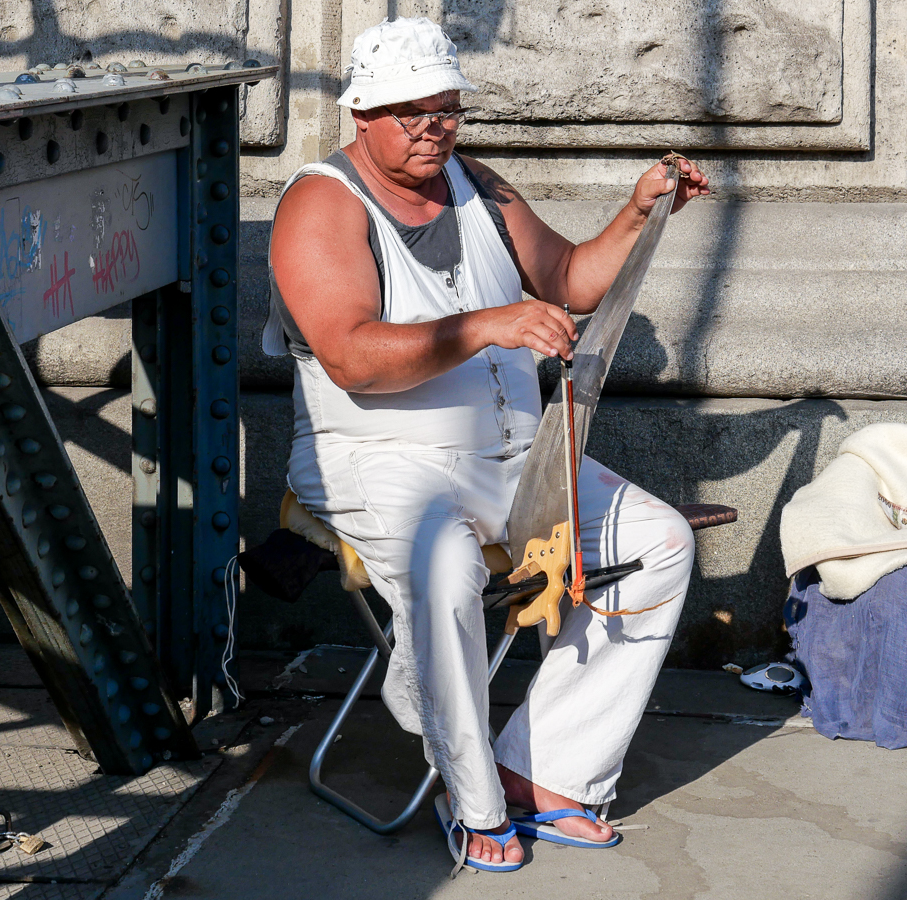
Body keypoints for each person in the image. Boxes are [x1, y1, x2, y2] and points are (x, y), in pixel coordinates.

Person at [263, 16, 710, 872]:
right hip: (376, 460)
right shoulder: (321, 202)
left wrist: (639, 210)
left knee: (659, 543)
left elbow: (571, 279)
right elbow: (351, 357)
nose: (433, 127)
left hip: (509, 459)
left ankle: (545, 773)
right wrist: (485, 326)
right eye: (411, 112)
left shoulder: (479, 186)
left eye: (447, 109)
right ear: (362, 114)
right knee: (447, 570)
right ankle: (472, 805)